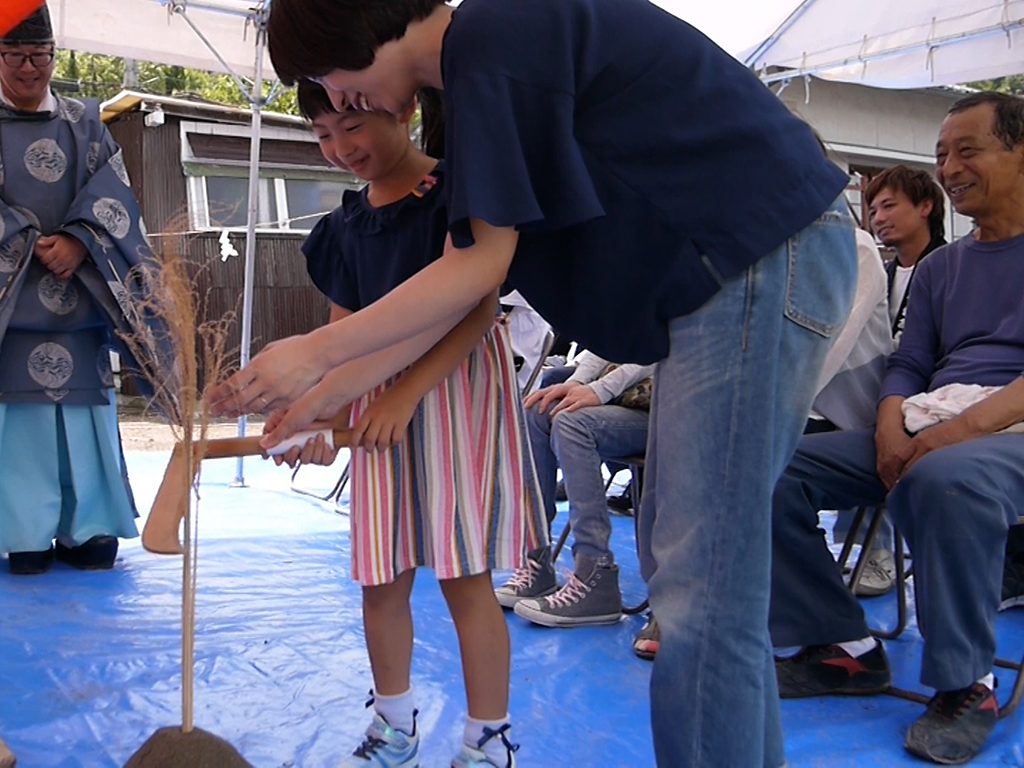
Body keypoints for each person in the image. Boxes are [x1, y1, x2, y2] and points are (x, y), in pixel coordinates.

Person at [210, 2, 858, 764]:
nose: (339, 102)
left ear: (353, 31)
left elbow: (475, 272)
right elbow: (458, 282)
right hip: (729, 281)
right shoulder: (472, 81)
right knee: (704, 588)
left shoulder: (494, 39)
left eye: (330, 80)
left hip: (754, 259)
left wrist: (317, 352)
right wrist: (318, 397)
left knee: (702, 590)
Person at [267, 80, 545, 768]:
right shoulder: (341, 229)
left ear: (404, 106)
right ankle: (393, 726)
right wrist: (318, 419)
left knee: (462, 576)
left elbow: (478, 310)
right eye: (323, 134)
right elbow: (341, 337)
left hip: (451, 396)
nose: (339, 148)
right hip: (376, 409)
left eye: (350, 125)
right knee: (380, 577)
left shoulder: (456, 194)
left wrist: (408, 394)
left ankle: (488, 740)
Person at [769, 92, 1024, 765]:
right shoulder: (943, 267)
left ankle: (969, 683)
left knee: (946, 476)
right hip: (933, 419)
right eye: (942, 154)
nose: (949, 167)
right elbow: (909, 361)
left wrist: (956, 432)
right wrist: (889, 425)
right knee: (766, 467)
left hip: (1007, 431)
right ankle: (844, 646)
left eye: (967, 150)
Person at [0, 5, 160, 575]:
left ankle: (88, 528)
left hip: (82, 307)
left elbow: (112, 192)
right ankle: (25, 533)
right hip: (12, 318)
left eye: (39, 55)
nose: (28, 68)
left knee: (87, 423)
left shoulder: (84, 121)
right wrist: (20, 237)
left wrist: (79, 239)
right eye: (15, 55)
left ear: (53, 56)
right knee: (22, 433)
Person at [831, 167, 947, 595]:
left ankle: (877, 550)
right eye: (873, 208)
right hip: (887, 388)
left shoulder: (946, 266)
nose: (877, 216)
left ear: (926, 207)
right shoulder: (886, 268)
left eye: (889, 205)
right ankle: (854, 545)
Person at [495, 350, 653, 628]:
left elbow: (654, 351)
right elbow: (603, 342)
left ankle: (596, 573)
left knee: (571, 423)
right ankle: (537, 559)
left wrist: (598, 390)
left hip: (664, 407)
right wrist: (579, 382)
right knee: (538, 410)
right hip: (624, 395)